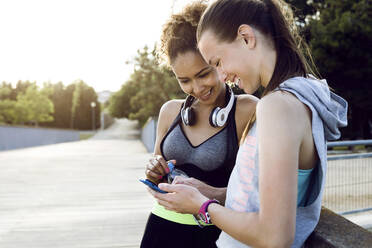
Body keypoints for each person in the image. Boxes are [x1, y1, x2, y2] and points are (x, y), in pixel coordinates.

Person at [150, 0, 348, 247]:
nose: (222, 77)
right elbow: (260, 198)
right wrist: (211, 193)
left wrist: (202, 205)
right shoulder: (296, 97)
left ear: (246, 37)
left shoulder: (277, 106)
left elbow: (275, 237)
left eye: (218, 62)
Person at [140, 2, 257, 248]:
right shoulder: (170, 110)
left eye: (203, 74)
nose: (197, 88)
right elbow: (157, 164)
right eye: (185, 80)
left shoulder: (249, 110)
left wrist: (210, 194)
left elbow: (257, 192)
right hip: (160, 229)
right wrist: (154, 168)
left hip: (213, 235)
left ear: (219, 61)